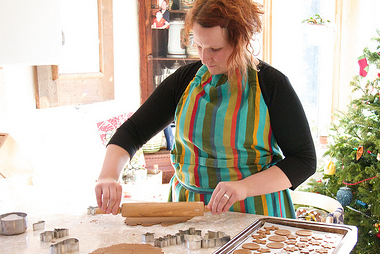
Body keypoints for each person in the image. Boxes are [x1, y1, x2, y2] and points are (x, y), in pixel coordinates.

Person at [95, 0, 317, 218]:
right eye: (198, 45)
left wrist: (243, 188)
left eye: (215, 49)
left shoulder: (271, 84)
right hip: (189, 213)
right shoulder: (185, 80)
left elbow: (304, 160)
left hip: (255, 212)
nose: (204, 57)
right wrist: (108, 176)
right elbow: (133, 132)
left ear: (241, 41)